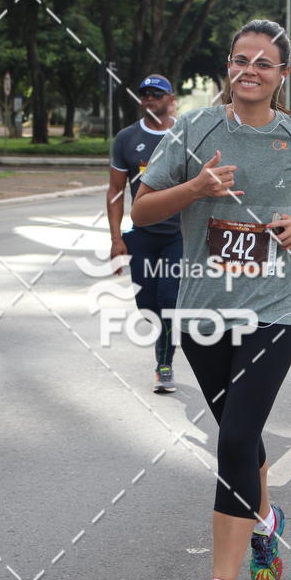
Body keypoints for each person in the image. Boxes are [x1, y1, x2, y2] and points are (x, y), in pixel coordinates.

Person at [131, 20, 291, 580]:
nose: (250, 68)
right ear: (229, 66)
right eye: (241, 58)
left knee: (236, 436)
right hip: (203, 310)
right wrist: (196, 187)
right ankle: (267, 522)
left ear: (282, 76)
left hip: (274, 310)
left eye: (265, 62)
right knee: (238, 435)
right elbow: (143, 208)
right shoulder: (193, 129)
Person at [107, 75, 182, 393]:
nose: (149, 99)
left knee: (169, 300)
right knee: (147, 304)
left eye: (156, 94)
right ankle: (167, 339)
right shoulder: (127, 138)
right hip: (143, 235)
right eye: (144, 94)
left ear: (170, 99)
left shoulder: (186, 134)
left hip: (180, 234)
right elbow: (115, 191)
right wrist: (116, 239)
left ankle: (164, 365)